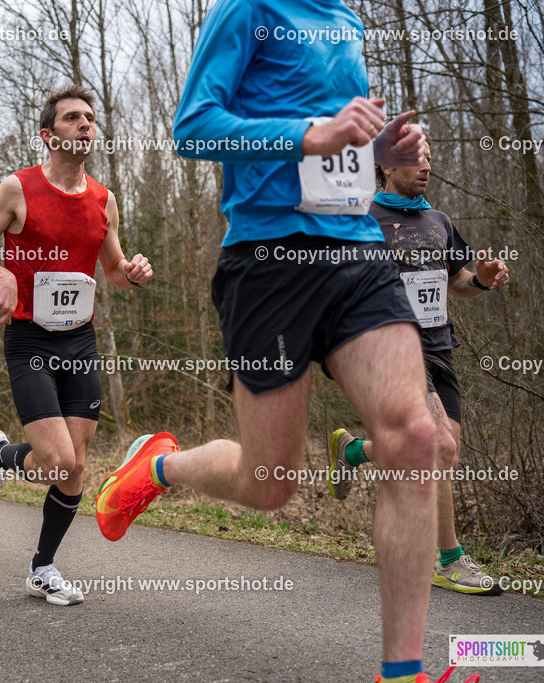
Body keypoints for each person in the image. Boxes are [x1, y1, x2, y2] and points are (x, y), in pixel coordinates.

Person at [94, 2, 447, 681]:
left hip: (355, 248)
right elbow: (193, 129)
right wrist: (310, 133)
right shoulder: (248, 7)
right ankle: (158, 466)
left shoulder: (345, 17)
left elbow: (335, 150)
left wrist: (378, 154)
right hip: (268, 259)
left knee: (416, 436)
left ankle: (402, 673)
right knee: (270, 482)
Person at [0, 85, 153, 606]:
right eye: (72, 118)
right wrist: (1, 274)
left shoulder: (104, 199)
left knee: (76, 466)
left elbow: (112, 272)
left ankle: (42, 567)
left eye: (90, 117)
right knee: (55, 460)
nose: (85, 124)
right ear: (49, 135)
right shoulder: (17, 190)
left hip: (80, 340)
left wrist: (133, 272)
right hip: (29, 339)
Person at [328, 143, 509, 596]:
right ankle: (449, 560)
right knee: (441, 447)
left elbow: (455, 282)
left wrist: (482, 279)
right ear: (387, 165)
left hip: (438, 346)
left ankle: (353, 452)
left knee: (433, 452)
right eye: (415, 159)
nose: (426, 166)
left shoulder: (439, 222)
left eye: (429, 158)